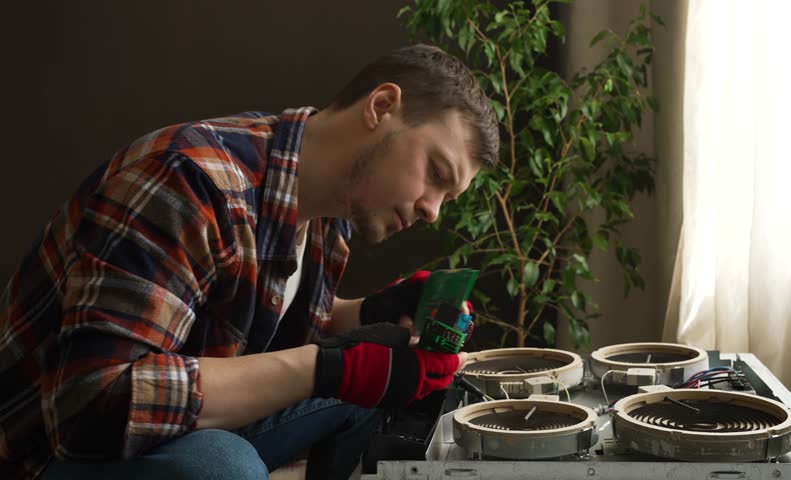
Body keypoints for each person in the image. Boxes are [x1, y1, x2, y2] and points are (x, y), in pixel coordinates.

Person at [0, 44, 499, 480]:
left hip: (165, 432)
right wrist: (328, 368)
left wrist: (375, 312)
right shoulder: (189, 182)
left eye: (447, 197)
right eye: (436, 172)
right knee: (219, 465)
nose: (433, 209)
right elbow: (92, 406)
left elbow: (262, 326)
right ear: (383, 106)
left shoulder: (325, 209)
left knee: (367, 393)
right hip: (47, 454)